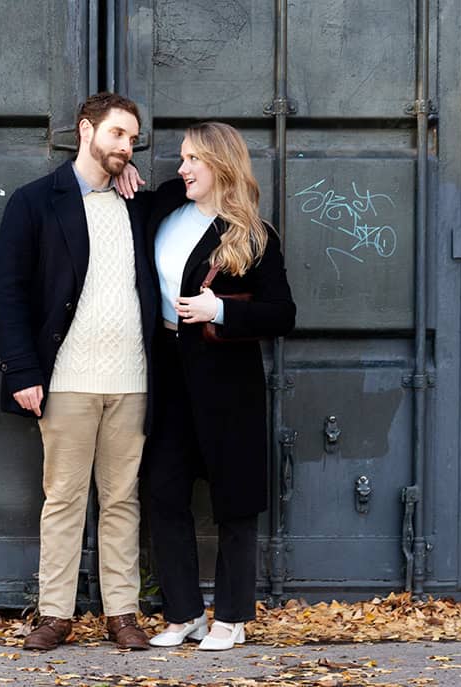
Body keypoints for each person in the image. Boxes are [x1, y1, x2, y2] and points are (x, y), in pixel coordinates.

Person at [117, 122, 295, 651]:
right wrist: (123, 167)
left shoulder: (253, 234)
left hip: (227, 381)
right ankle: (184, 613)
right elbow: (134, 198)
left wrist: (220, 310)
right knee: (163, 491)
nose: (182, 167)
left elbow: (282, 314)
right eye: (181, 157)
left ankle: (233, 616)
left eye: (192, 158)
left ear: (219, 164)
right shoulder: (163, 211)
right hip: (168, 372)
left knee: (234, 499)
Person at [0, 92, 158, 651]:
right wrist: (22, 370)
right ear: (86, 130)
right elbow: (8, 293)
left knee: (123, 499)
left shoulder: (138, 202)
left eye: (133, 140)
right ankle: (57, 615)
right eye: (117, 135)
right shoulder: (36, 201)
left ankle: (122, 614)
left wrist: (128, 169)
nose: (125, 146)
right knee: (62, 498)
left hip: (131, 379)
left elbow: (200, 186)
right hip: (65, 378)